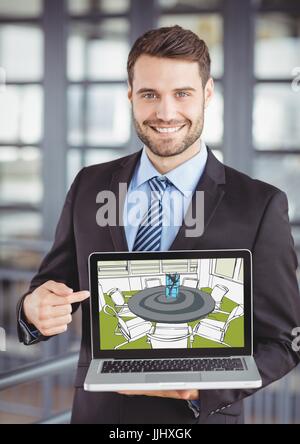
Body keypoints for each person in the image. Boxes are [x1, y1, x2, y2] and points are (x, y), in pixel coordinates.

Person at [17, 26, 300, 424]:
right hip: (100, 415)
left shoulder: (260, 204)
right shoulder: (89, 185)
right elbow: (49, 286)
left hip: (197, 418)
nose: (165, 113)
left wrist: (206, 387)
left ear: (207, 94)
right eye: (150, 94)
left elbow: (285, 341)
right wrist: (33, 310)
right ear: (131, 96)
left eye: (182, 93)